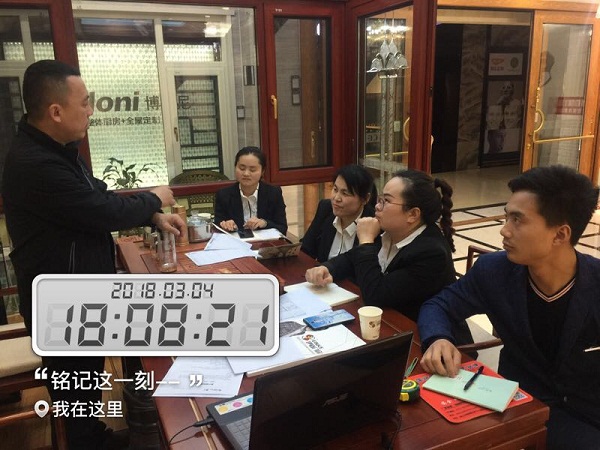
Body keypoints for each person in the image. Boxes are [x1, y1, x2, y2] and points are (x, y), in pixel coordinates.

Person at [2, 60, 186, 449]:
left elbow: (96, 196)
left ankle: (98, 436)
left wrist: (151, 215)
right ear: (56, 111)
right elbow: (100, 211)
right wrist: (155, 198)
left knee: (86, 387)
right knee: (75, 393)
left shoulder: (59, 150)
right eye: (85, 102)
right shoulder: (35, 163)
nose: (91, 111)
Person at [418, 165, 600, 449]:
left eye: (517, 220)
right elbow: (439, 305)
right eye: (506, 216)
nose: (504, 230)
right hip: (515, 404)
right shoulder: (494, 271)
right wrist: (438, 337)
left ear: (560, 234)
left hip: (585, 418)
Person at [304, 169, 473, 346]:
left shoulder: (430, 252)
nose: (377, 207)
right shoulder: (392, 230)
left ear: (413, 214)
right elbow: (351, 258)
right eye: (380, 199)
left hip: (428, 341)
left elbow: (376, 295)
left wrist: (366, 241)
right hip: (387, 326)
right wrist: (328, 268)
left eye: (386, 201)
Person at [301, 164, 376, 262]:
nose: (336, 198)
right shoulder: (325, 209)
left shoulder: (373, 225)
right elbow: (306, 250)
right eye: (335, 189)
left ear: (365, 199)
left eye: (345, 193)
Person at [214, 146, 287, 235]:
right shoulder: (223, 195)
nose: (246, 174)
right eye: (242, 168)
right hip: (236, 242)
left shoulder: (273, 193)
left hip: (264, 242)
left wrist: (264, 223)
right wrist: (225, 225)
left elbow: (282, 228)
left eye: (252, 170)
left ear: (262, 171)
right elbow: (217, 227)